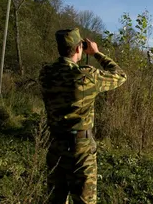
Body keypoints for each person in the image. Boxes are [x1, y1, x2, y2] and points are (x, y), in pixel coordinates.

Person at [39, 28, 127, 204]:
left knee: (55, 199)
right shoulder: (86, 76)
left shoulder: (46, 73)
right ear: (79, 48)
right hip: (81, 149)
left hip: (55, 145)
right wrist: (96, 53)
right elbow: (120, 75)